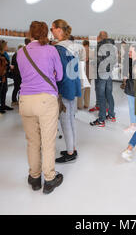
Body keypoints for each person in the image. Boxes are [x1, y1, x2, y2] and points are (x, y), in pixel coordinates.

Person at [17, 21, 64, 194]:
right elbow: (59, 76)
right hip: (45, 100)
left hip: (25, 100)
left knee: (32, 142)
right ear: (47, 33)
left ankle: (35, 178)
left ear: (30, 33)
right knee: (48, 142)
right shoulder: (51, 50)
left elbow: (24, 75)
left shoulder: (21, 52)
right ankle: (50, 178)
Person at [50, 19, 81, 164]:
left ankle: (70, 152)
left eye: (53, 29)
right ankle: (72, 147)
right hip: (73, 84)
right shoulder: (73, 46)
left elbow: (59, 71)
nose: (51, 32)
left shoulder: (59, 48)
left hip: (64, 86)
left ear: (59, 30)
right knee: (70, 119)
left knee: (65, 121)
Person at [89, 31, 116, 127]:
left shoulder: (100, 46)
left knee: (101, 96)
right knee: (109, 94)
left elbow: (98, 61)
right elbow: (114, 60)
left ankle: (101, 119)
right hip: (109, 74)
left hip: (101, 73)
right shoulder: (113, 46)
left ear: (100, 38)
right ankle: (112, 115)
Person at [121, 44, 136, 133]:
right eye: (129, 51)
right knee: (131, 107)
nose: (129, 53)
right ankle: (133, 125)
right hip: (130, 88)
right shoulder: (129, 61)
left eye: (131, 51)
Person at [0, 40, 14, 111]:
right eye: (6, 45)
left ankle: (3, 105)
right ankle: (0, 106)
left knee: (4, 90)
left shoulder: (4, 54)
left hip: (4, 75)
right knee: (1, 90)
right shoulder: (0, 55)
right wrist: (9, 66)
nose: (7, 47)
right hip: (1, 76)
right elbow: (2, 66)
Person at [77, 40, 90, 110]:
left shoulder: (81, 50)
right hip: (90, 70)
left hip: (83, 70)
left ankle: (79, 105)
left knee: (81, 87)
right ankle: (86, 104)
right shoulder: (91, 50)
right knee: (88, 88)